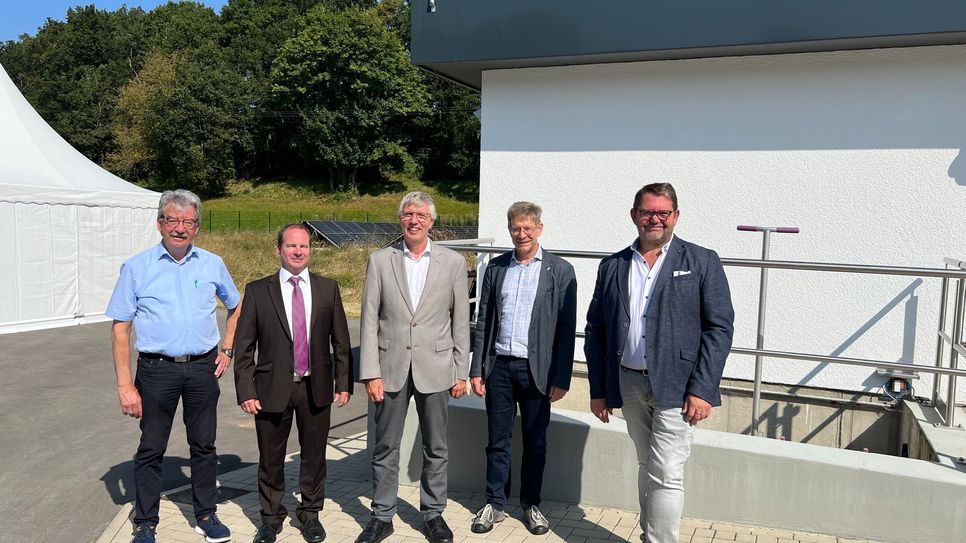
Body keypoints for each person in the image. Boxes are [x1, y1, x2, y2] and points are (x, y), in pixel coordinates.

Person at [584, 183, 735, 543]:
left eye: (662, 213)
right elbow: (596, 330)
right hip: (628, 383)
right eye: (647, 212)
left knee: (666, 471)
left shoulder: (701, 261)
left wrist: (702, 388)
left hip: (679, 386)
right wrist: (599, 390)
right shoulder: (613, 265)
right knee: (646, 464)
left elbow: (719, 328)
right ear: (634, 215)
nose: (655, 219)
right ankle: (648, 534)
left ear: (675, 217)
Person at [107, 189, 240, 543]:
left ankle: (206, 515)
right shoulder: (137, 267)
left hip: (201, 369)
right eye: (173, 220)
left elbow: (236, 305)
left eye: (188, 221)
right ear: (159, 223)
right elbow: (121, 329)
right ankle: (146, 522)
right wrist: (125, 385)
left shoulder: (212, 264)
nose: (180, 228)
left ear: (197, 226)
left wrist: (227, 348)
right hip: (156, 370)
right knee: (152, 447)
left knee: (204, 445)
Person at [356, 192, 470, 543]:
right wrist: (370, 372)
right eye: (408, 214)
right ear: (400, 219)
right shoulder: (380, 260)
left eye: (421, 215)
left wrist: (460, 370)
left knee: (436, 446)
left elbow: (461, 321)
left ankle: (433, 514)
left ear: (432, 221)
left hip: (436, 367)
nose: (414, 220)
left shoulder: (452, 262)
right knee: (385, 446)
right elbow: (368, 319)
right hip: (389, 368)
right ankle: (382, 515)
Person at [233, 223, 354, 543]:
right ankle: (271, 518)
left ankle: (310, 513)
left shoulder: (328, 288)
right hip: (271, 387)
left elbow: (340, 340)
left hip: (316, 387)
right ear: (278, 249)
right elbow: (245, 345)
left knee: (314, 455)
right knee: (270, 457)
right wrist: (246, 389)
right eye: (291, 246)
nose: (299, 251)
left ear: (310, 250)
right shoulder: (259, 290)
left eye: (304, 246)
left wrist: (343, 381)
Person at [468, 202, 577, 535]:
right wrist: (477, 367)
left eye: (528, 228)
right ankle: (495, 504)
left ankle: (531, 505)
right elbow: (483, 319)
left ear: (539, 229)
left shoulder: (560, 271)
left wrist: (561, 376)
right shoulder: (498, 268)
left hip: (538, 371)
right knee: (497, 441)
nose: (522, 234)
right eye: (516, 228)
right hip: (499, 367)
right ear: (510, 229)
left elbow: (565, 328)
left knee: (535, 442)